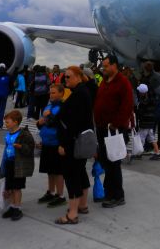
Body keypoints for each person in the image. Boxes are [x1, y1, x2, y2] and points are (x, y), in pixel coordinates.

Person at [54, 66, 94, 224]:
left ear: (78, 76)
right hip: (80, 141)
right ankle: (82, 205)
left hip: (73, 142)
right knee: (80, 172)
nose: (65, 80)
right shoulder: (83, 92)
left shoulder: (79, 94)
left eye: (69, 77)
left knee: (72, 177)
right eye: (65, 77)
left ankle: (72, 213)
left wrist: (64, 143)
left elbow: (73, 123)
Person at [93, 54, 134, 208]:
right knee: (105, 161)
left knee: (113, 162)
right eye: (103, 65)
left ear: (115, 65)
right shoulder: (105, 81)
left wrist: (116, 124)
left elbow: (127, 105)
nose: (104, 68)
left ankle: (117, 195)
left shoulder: (123, 82)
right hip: (102, 128)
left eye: (107, 65)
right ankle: (109, 192)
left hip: (114, 130)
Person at [0, 110, 35, 221]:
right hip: (9, 163)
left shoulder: (23, 134)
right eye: (5, 122)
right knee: (10, 186)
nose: (6, 124)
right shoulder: (8, 134)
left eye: (8, 122)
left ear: (15, 122)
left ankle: (17, 208)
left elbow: (30, 148)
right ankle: (12, 206)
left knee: (17, 187)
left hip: (19, 164)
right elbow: (6, 149)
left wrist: (20, 147)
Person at [36, 84, 67, 208]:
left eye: (54, 93)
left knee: (58, 170)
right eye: (50, 93)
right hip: (47, 142)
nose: (51, 95)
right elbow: (42, 123)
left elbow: (61, 123)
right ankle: (51, 191)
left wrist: (49, 117)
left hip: (56, 142)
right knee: (49, 170)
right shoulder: (48, 106)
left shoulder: (63, 107)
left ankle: (60, 195)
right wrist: (39, 123)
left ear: (61, 93)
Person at [135, 83, 160, 160]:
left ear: (142, 93)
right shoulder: (151, 99)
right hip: (151, 122)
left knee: (141, 138)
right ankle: (157, 153)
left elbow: (140, 112)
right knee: (151, 138)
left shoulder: (142, 102)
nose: (139, 93)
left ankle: (139, 154)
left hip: (144, 123)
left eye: (139, 91)